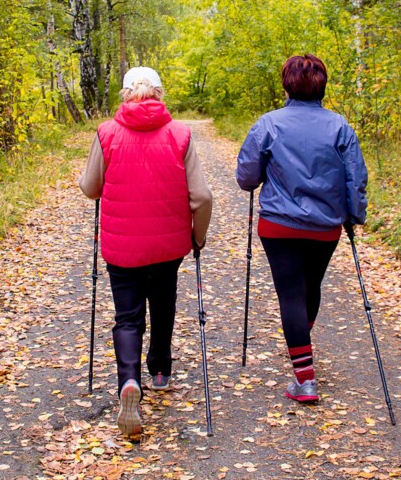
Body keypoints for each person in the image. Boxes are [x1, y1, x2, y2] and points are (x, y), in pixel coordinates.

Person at [78, 66, 213, 437]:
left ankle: (128, 380)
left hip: (121, 246)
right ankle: (160, 371)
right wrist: (197, 237)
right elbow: (201, 197)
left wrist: (84, 178)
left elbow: (91, 189)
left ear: (125, 94)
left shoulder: (106, 133)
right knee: (163, 302)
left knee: (127, 316)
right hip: (168, 246)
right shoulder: (180, 134)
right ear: (160, 93)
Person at [235, 54, 368, 404]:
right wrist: (354, 216)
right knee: (310, 287)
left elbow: (247, 178)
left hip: (278, 224)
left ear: (286, 84)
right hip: (325, 227)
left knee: (292, 294)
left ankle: (304, 375)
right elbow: (356, 178)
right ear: (322, 84)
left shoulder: (268, 124)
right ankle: (302, 352)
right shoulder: (340, 127)